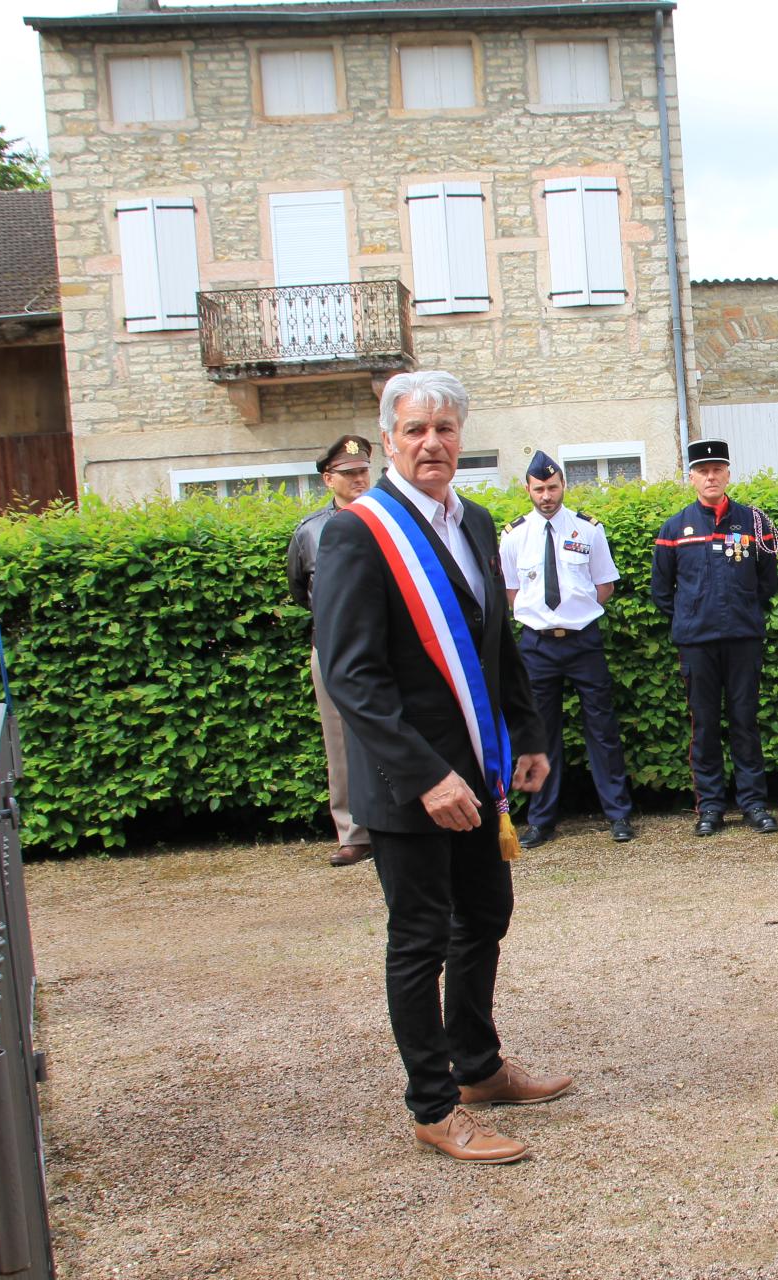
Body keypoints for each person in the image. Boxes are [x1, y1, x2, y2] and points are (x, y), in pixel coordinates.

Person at [315, 370, 570, 1166]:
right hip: (410, 785)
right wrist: (427, 774)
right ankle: (432, 1106)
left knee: (485, 917)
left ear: (461, 436)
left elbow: (495, 643)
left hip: (481, 774)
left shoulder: (477, 518)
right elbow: (351, 674)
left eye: (446, 429)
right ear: (389, 438)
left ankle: (478, 1067)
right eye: (417, 429)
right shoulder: (359, 532)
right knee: (419, 939)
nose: (432, 443)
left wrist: (527, 733)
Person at [499, 450, 637, 846]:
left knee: (603, 730)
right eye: (539, 488)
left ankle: (618, 815)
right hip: (536, 646)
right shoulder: (513, 536)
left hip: (583, 642)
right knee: (538, 735)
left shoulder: (589, 530)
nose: (546, 495)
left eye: (553, 487)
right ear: (528, 489)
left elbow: (604, 585)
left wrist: (574, 615)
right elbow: (511, 592)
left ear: (564, 487)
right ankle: (541, 820)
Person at [650, 438, 778, 837]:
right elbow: (662, 591)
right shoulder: (674, 528)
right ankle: (710, 807)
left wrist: (742, 611)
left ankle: (754, 804)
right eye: (703, 471)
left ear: (728, 474)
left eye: (717, 470)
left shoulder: (753, 523)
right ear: (691, 477)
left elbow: (767, 582)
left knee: (745, 722)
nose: (711, 476)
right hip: (697, 642)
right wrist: (692, 617)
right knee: (704, 725)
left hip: (743, 638)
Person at [286, 434, 375, 866]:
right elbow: (303, 591)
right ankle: (353, 832)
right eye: (349, 473)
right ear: (328, 479)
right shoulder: (310, 532)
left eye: (363, 471)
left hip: (388, 645)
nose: (359, 479)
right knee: (338, 741)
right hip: (335, 648)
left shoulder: (389, 520)